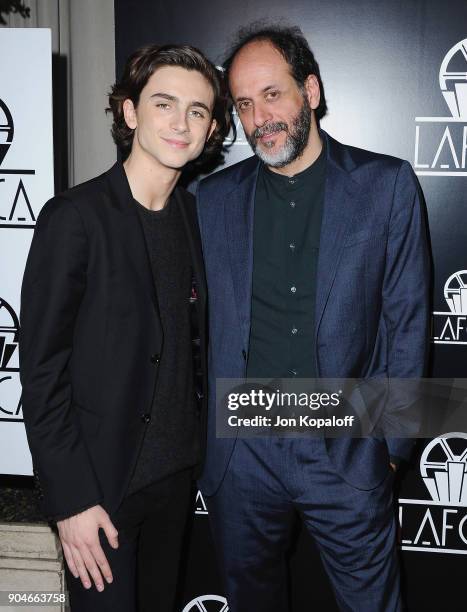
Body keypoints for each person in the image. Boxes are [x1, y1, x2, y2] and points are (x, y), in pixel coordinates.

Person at [196, 24, 430, 612]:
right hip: (240, 451)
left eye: (273, 94)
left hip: (347, 445)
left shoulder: (386, 184)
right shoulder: (210, 198)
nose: (259, 118)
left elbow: (406, 324)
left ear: (312, 91)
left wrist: (393, 449)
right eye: (245, 105)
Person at [19, 44, 228, 612]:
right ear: (130, 113)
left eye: (198, 111)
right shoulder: (76, 219)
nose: (181, 124)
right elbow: (41, 377)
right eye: (164, 105)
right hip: (100, 493)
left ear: (211, 130)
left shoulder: (194, 215)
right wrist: (70, 502)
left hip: (175, 482)